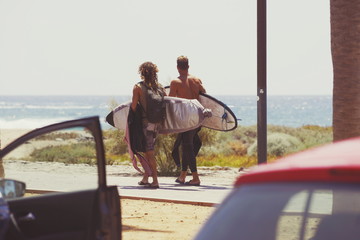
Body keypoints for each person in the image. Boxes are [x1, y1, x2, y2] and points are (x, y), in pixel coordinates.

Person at [169, 56, 206, 186]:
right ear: (188, 66)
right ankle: (183, 175)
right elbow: (205, 95)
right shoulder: (197, 80)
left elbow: (171, 101)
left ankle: (195, 178)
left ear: (177, 67)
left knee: (188, 146)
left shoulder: (175, 82)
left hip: (185, 118)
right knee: (189, 144)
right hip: (198, 116)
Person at [130, 61, 165, 188]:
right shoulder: (159, 87)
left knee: (149, 153)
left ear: (141, 72)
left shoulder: (138, 87)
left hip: (146, 124)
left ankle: (155, 180)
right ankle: (146, 177)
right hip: (157, 125)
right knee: (147, 151)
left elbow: (133, 107)